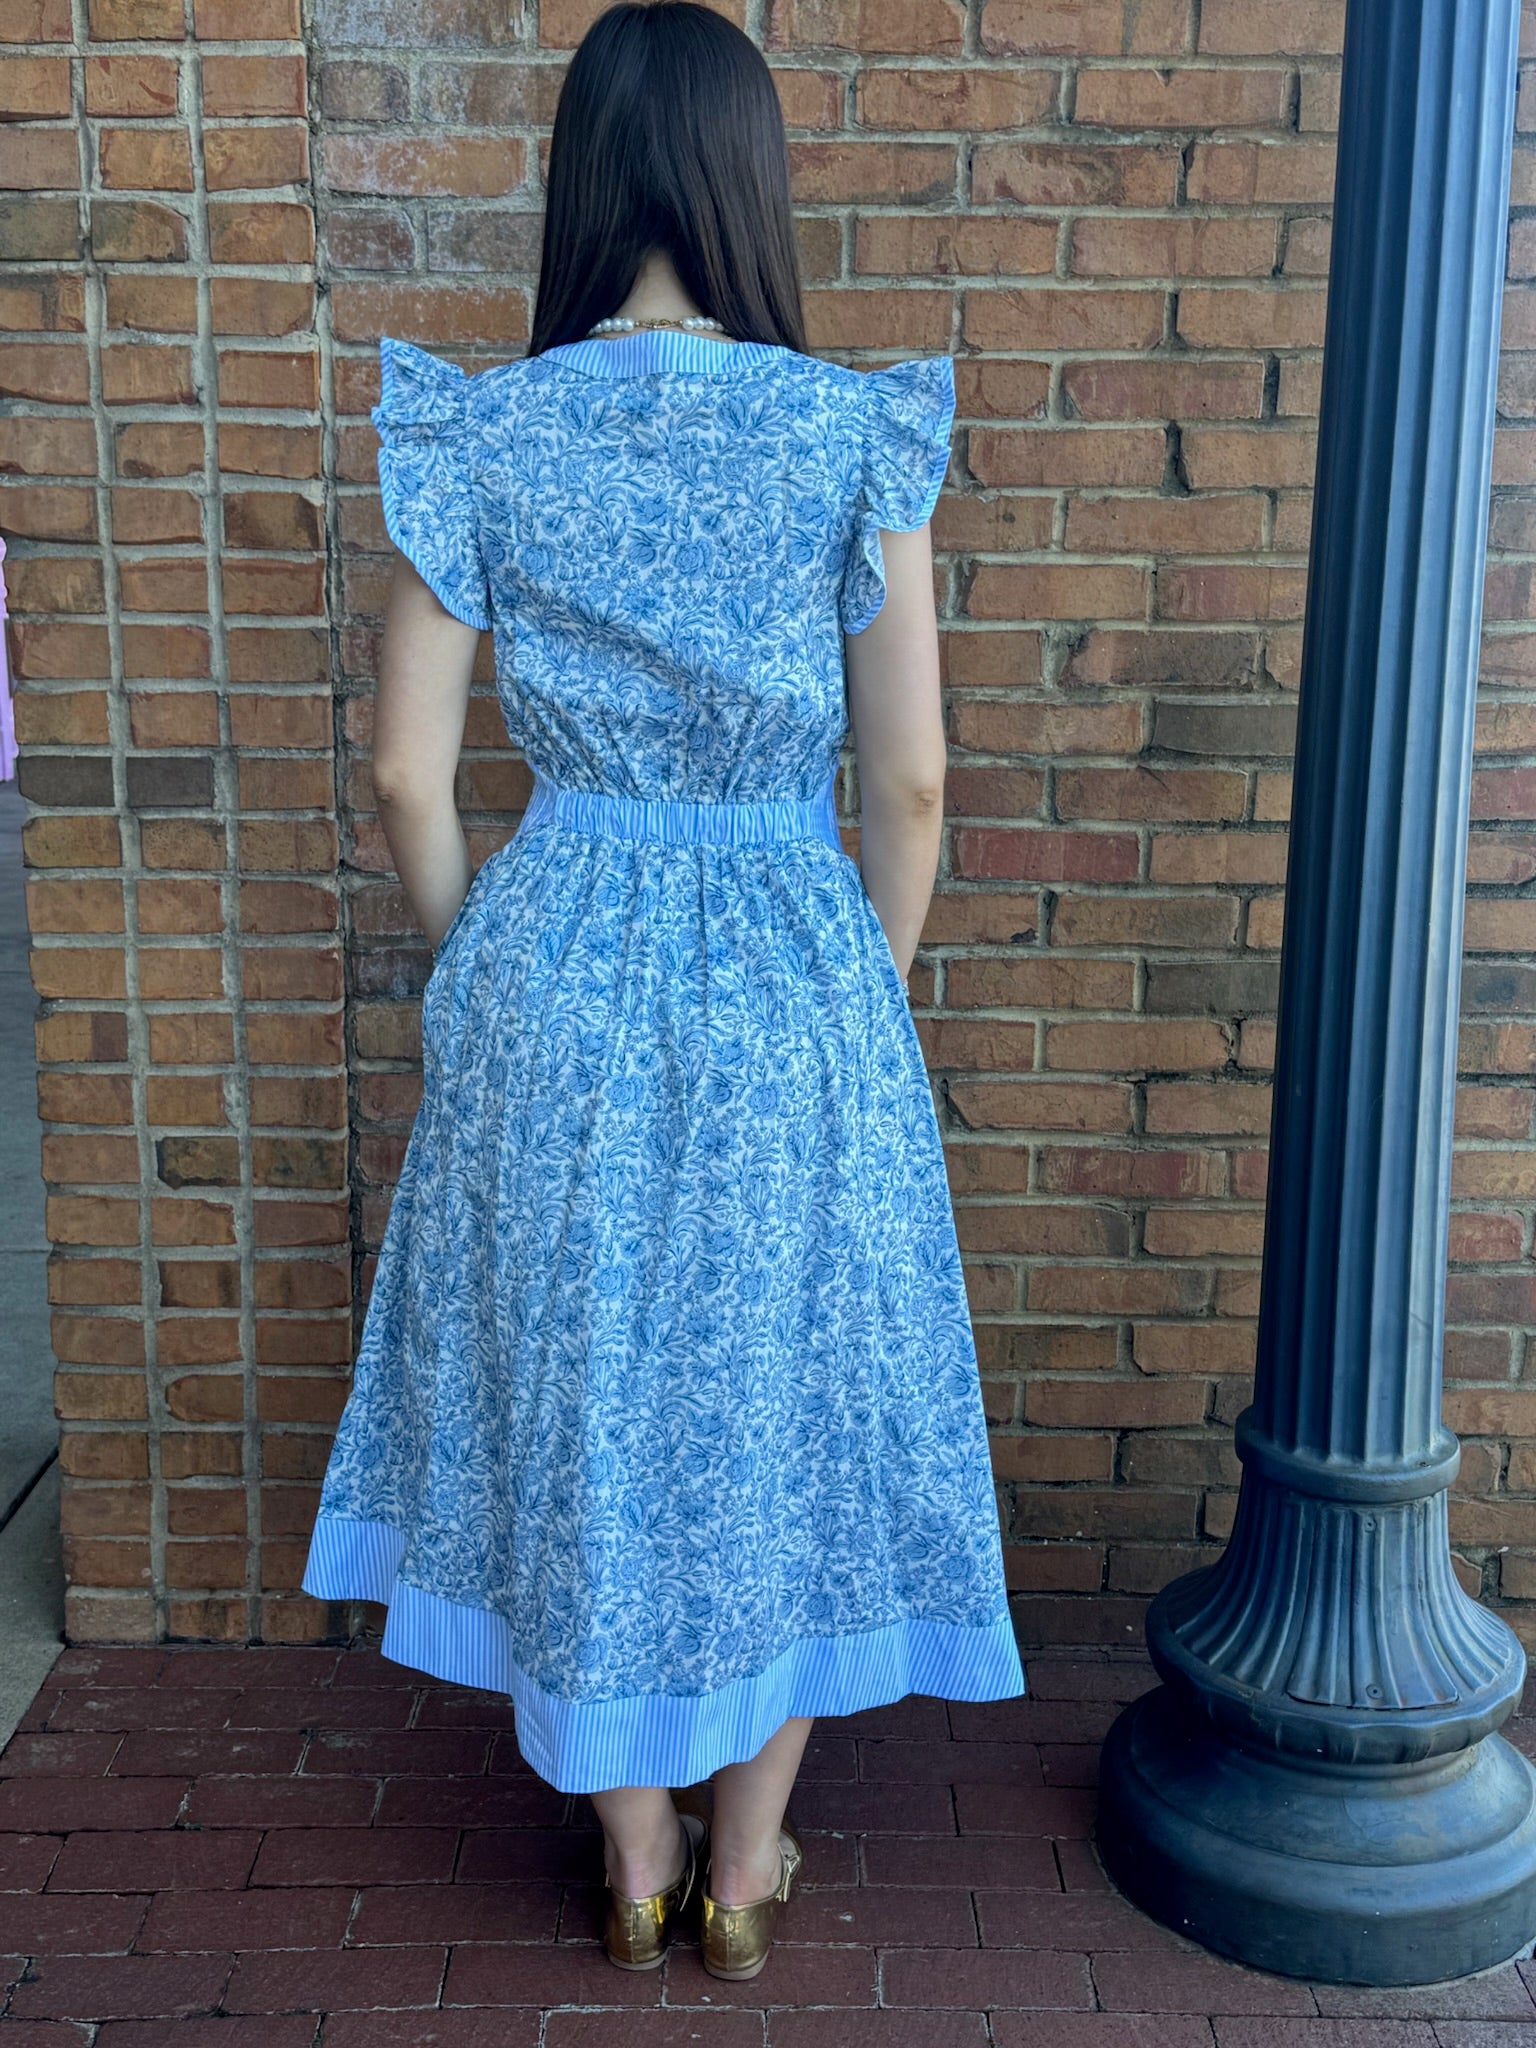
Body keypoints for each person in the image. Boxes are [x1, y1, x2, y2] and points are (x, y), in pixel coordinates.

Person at [302, 0, 1025, 1982]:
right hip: (789, 961)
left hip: (562, 951)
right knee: (777, 1403)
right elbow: (915, 785)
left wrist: (494, 965)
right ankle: (742, 1869)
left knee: (594, 1402)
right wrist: (853, 999)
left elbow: (401, 772)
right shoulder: (846, 434)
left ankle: (624, 1863)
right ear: (744, 182)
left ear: (582, 179)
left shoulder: (486, 429)